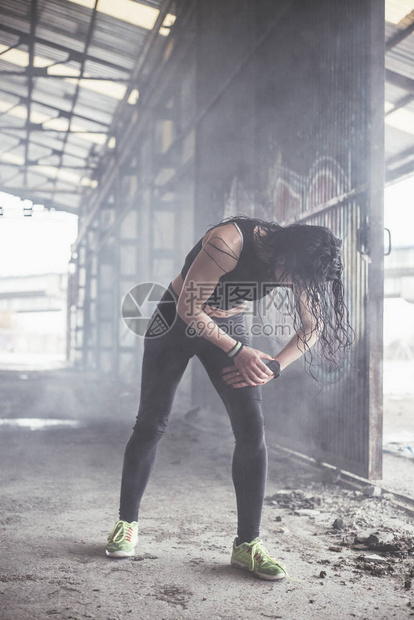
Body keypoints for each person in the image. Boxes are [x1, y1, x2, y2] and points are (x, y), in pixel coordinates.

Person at [105, 215, 352, 581]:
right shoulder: (228, 242)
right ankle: (126, 524)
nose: (294, 285)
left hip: (229, 326)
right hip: (175, 321)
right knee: (151, 423)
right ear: (284, 256)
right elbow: (190, 310)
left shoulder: (300, 263)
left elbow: (311, 327)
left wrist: (275, 367)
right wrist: (238, 349)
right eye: (294, 277)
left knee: (252, 431)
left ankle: (246, 545)